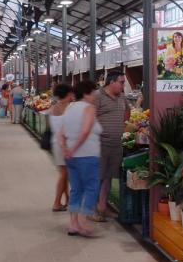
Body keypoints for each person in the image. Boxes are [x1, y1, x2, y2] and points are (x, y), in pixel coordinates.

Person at [58, 80, 101, 237]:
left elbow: (60, 132)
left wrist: (66, 149)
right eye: (94, 91)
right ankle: (84, 224)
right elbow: (85, 131)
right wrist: (74, 148)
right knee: (91, 188)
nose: (96, 94)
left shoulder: (70, 107)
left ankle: (73, 225)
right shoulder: (89, 108)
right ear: (87, 93)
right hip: (87, 154)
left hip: (71, 157)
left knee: (76, 189)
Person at [92, 70, 131, 222]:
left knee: (108, 177)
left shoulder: (122, 97)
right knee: (98, 177)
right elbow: (89, 117)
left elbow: (127, 111)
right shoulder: (97, 96)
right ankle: (91, 209)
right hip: (100, 144)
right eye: (121, 82)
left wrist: (121, 125)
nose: (123, 85)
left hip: (116, 144)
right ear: (111, 82)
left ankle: (103, 207)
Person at [48, 83, 74, 211]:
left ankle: (67, 199)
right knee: (64, 174)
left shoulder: (54, 107)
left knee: (64, 173)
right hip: (64, 144)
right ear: (68, 94)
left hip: (56, 143)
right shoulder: (69, 108)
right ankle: (57, 202)